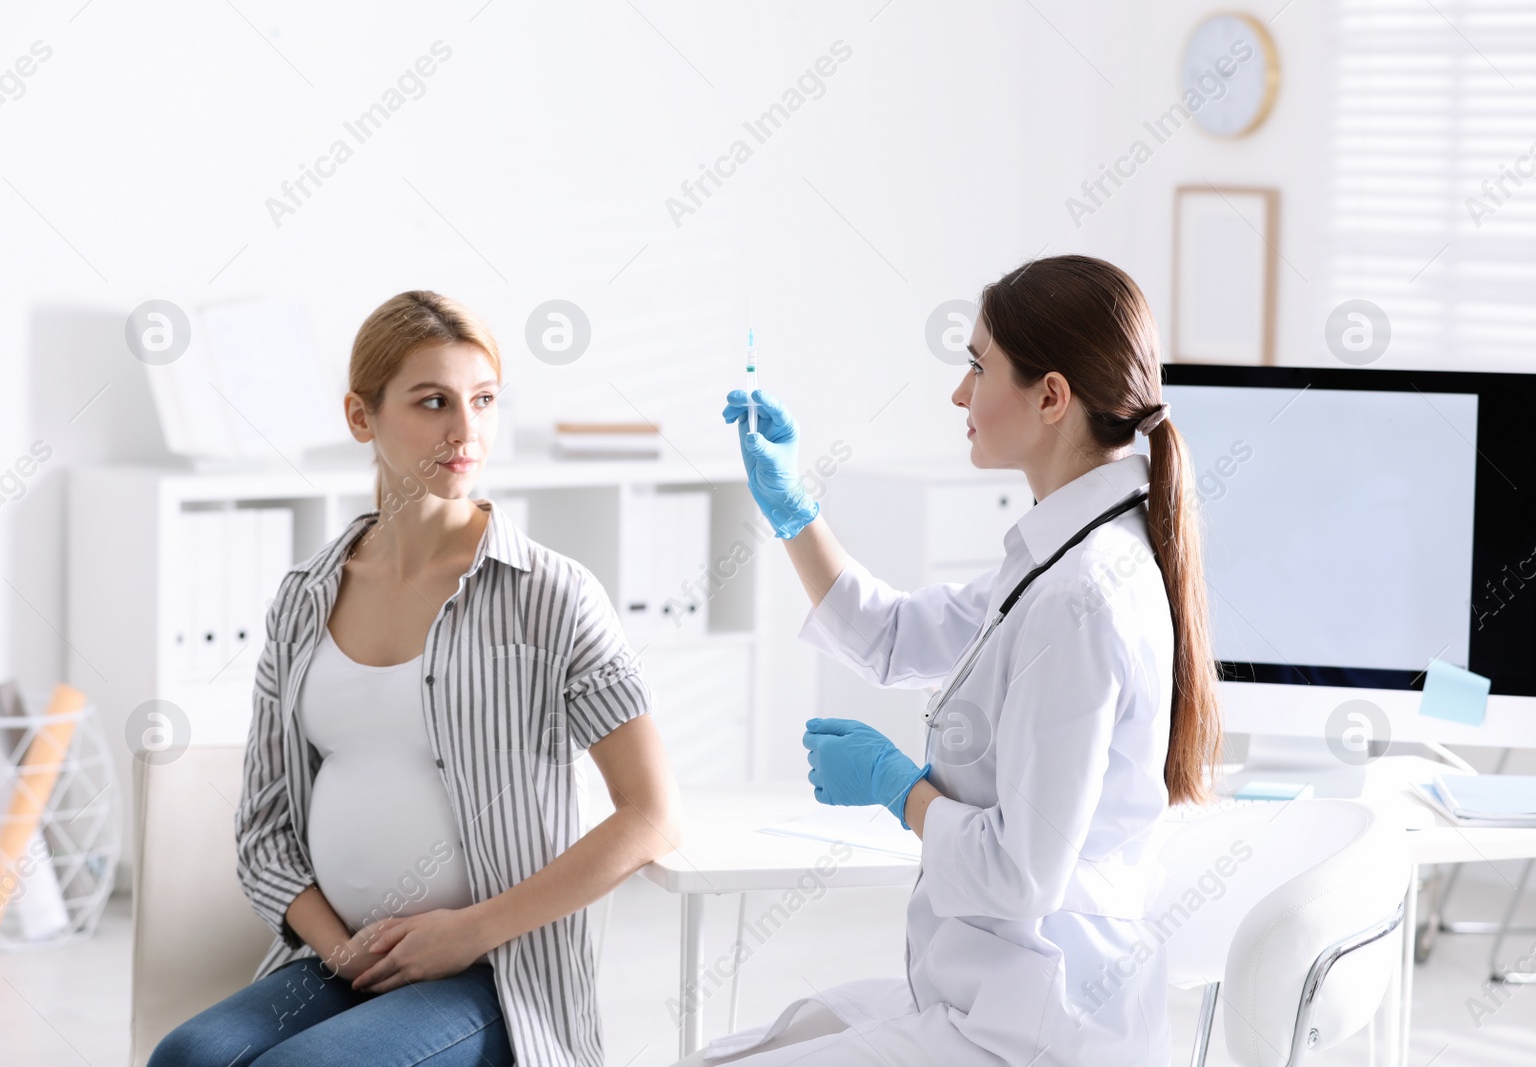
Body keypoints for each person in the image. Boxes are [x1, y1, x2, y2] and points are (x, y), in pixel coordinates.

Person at [688, 255, 1221, 1066]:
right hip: (991, 990)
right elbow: (897, 636)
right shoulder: (1063, 552)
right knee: (732, 1048)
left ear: (1051, 396)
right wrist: (794, 508)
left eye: (977, 366)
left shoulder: (1086, 595)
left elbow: (1020, 876)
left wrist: (901, 790)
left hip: (1039, 1023)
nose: (959, 393)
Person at [150, 291, 682, 1067]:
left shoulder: (550, 594)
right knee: (188, 1056)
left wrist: (465, 932)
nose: (465, 431)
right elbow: (264, 832)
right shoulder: (306, 598)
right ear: (361, 417)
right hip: (342, 964)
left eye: (484, 401)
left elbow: (653, 817)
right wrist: (344, 952)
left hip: (492, 974)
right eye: (433, 402)